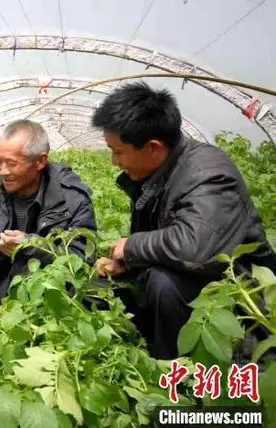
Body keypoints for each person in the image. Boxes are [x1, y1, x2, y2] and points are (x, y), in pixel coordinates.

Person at [92, 82, 276, 360]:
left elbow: (196, 248)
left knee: (162, 283)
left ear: (153, 148)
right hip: (195, 285)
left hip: (235, 302)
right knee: (102, 284)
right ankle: (146, 353)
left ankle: (180, 377)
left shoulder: (207, 172)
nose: (113, 161)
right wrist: (126, 263)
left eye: (117, 151)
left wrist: (131, 247)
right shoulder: (157, 173)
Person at [0, 119, 98, 316]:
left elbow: (81, 259)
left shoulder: (71, 199)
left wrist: (32, 245)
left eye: (12, 163)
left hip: (51, 293)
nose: (2, 171)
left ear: (40, 161)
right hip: (0, 286)